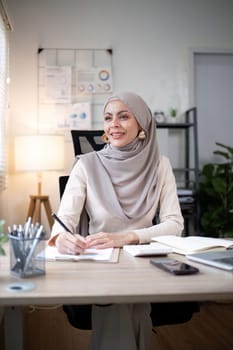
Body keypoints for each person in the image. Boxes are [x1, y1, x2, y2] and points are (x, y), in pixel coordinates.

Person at [49, 91, 184, 350]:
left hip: (144, 260)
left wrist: (128, 237)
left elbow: (174, 224)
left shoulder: (160, 165)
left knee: (134, 309)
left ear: (142, 124)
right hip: (101, 262)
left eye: (124, 117)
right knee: (120, 309)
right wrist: (62, 239)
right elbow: (63, 221)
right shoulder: (86, 165)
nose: (114, 125)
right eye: (108, 118)